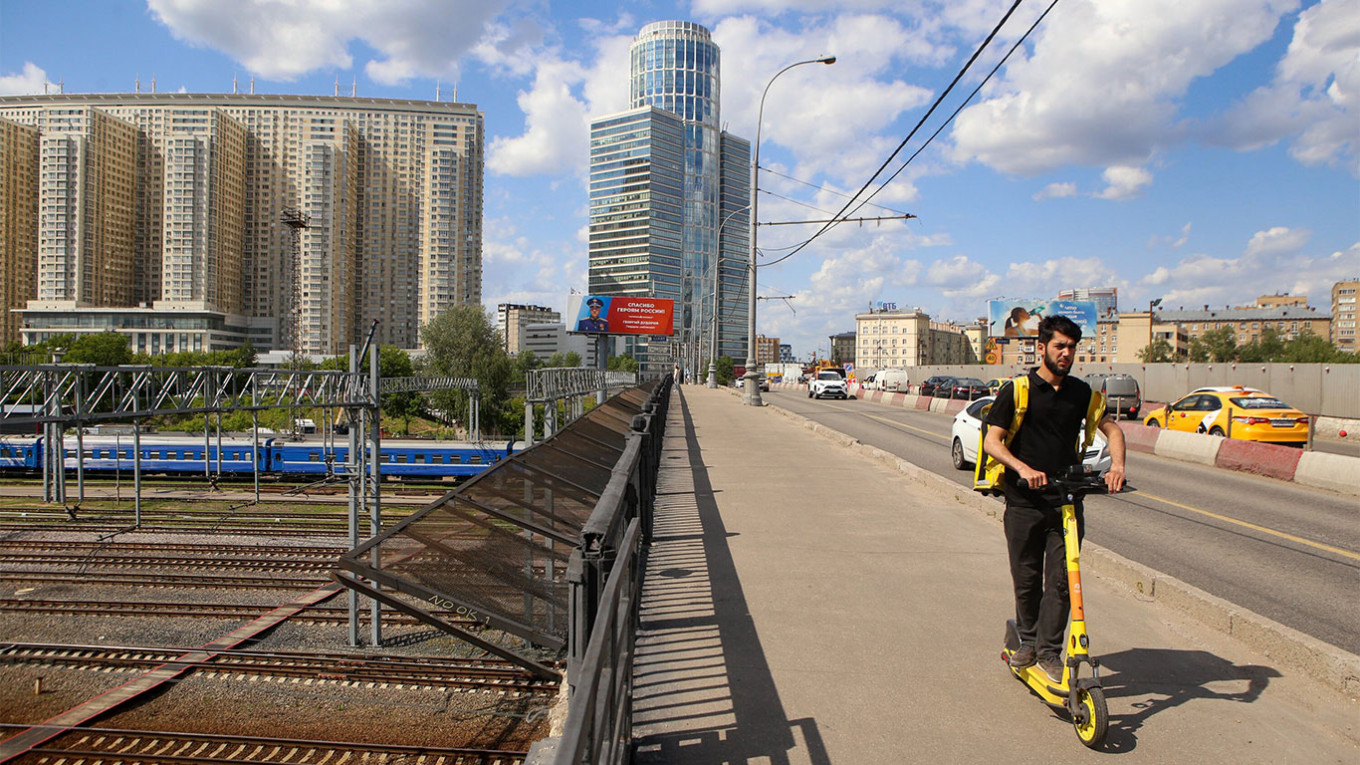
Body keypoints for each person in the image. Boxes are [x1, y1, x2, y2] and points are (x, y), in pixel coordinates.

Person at [982, 315, 1126, 683]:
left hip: (1065, 502)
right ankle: (1027, 642)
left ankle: (1049, 652)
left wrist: (1117, 467)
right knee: (1027, 578)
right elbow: (992, 441)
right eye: (1059, 346)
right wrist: (1022, 468)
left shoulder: (1082, 393)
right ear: (1042, 347)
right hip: (1024, 502)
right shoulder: (1018, 390)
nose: (1066, 353)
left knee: (1063, 581)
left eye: (1072, 347)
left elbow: (1112, 428)